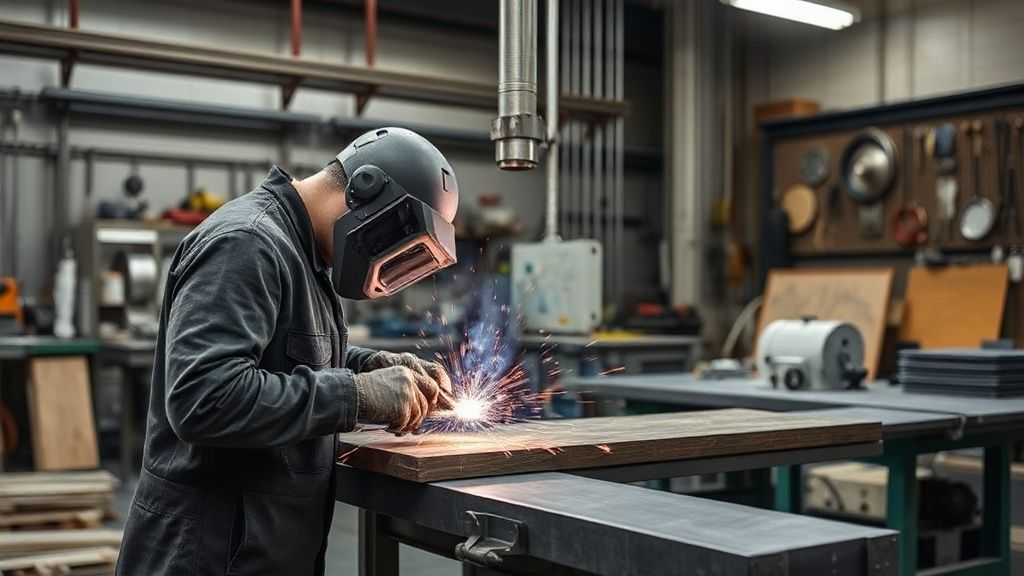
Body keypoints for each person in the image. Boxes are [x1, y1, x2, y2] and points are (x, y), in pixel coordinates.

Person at [116, 128, 460, 575]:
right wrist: (356, 396)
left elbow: (284, 354)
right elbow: (203, 398)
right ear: (365, 192)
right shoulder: (247, 244)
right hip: (208, 557)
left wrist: (370, 365)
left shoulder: (307, 252)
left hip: (258, 551)